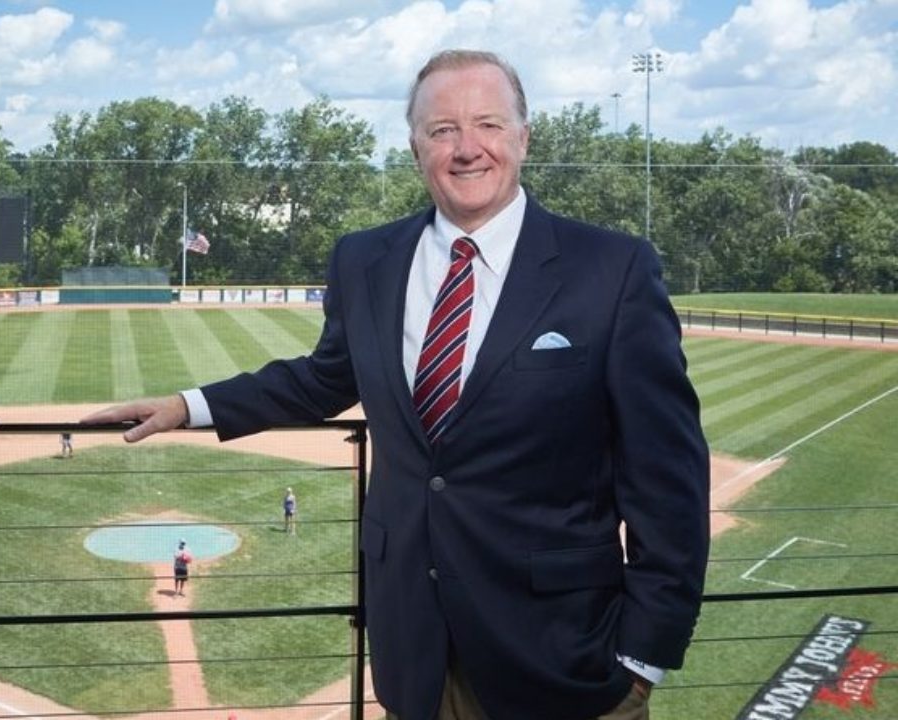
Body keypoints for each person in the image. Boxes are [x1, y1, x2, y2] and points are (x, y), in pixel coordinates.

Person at [82, 49, 709, 720]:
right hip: (416, 652)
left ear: (524, 138)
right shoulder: (365, 259)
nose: (467, 148)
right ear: (416, 148)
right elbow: (325, 379)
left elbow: (667, 479)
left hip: (565, 663)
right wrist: (190, 405)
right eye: (442, 130)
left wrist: (642, 660)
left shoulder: (611, 270)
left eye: (489, 125)